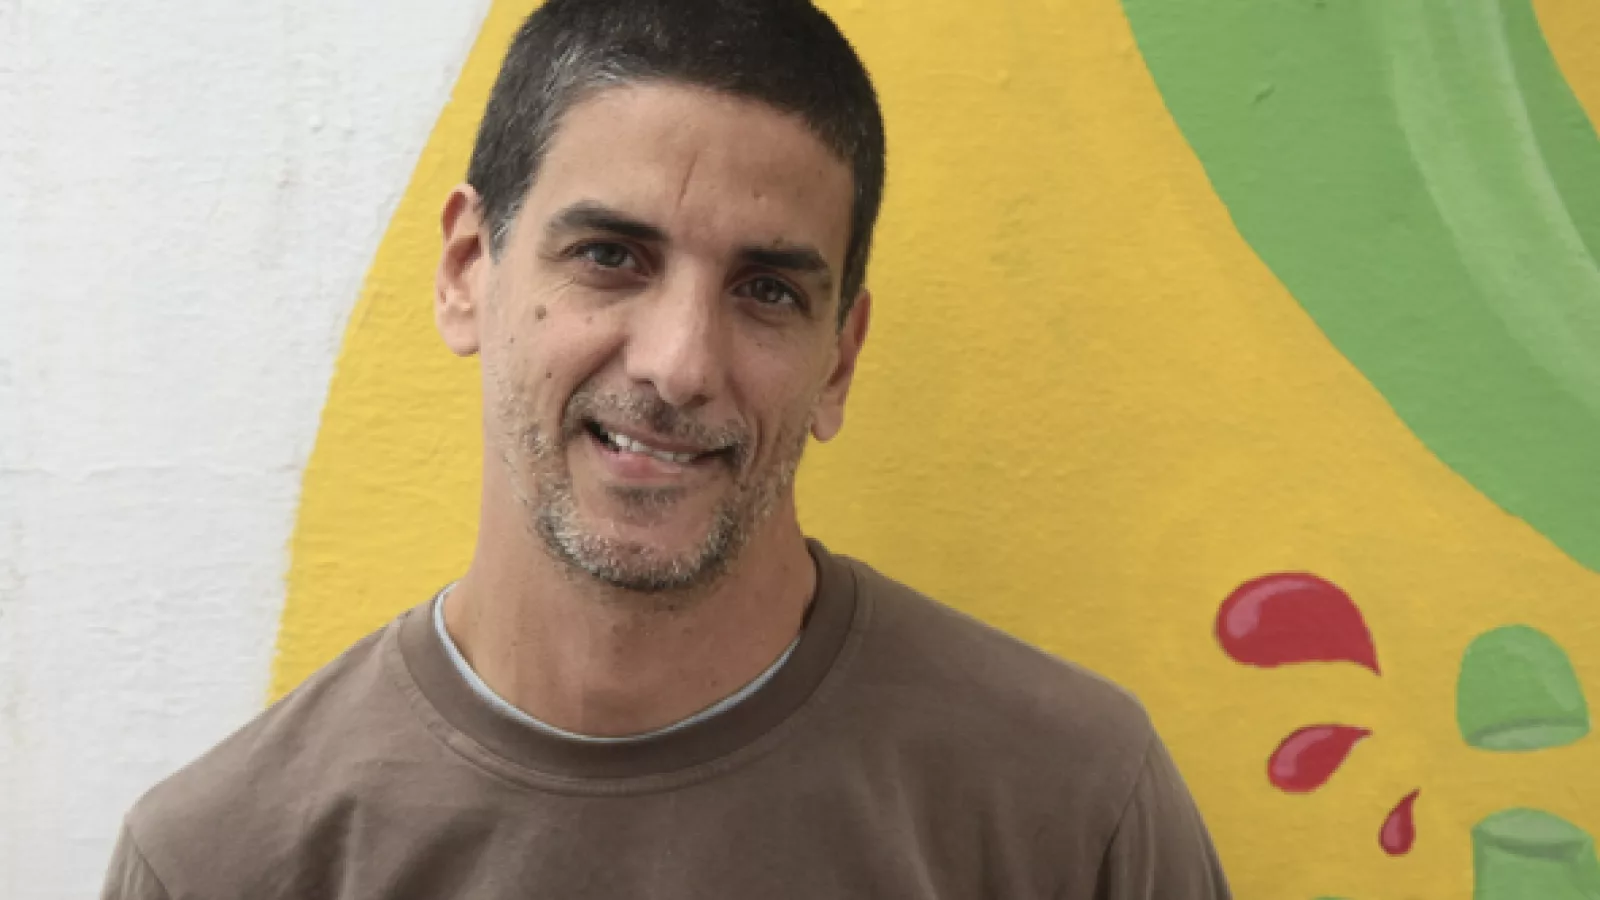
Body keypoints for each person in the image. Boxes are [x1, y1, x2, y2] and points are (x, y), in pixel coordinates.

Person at [102, 1, 1231, 897]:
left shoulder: (1073, 813)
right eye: (609, 256)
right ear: (466, 271)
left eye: (768, 290)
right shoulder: (224, 863)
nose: (681, 363)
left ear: (839, 359)